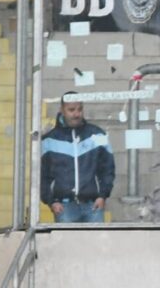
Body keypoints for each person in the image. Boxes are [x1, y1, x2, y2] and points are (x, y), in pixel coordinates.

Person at [40, 96, 114, 224]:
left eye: (80, 109)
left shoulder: (97, 135)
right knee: (67, 244)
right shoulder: (49, 140)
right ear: (62, 110)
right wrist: (51, 201)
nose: (76, 114)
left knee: (96, 244)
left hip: (93, 204)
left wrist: (102, 196)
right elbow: (42, 175)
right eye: (71, 110)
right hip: (64, 206)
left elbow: (108, 169)